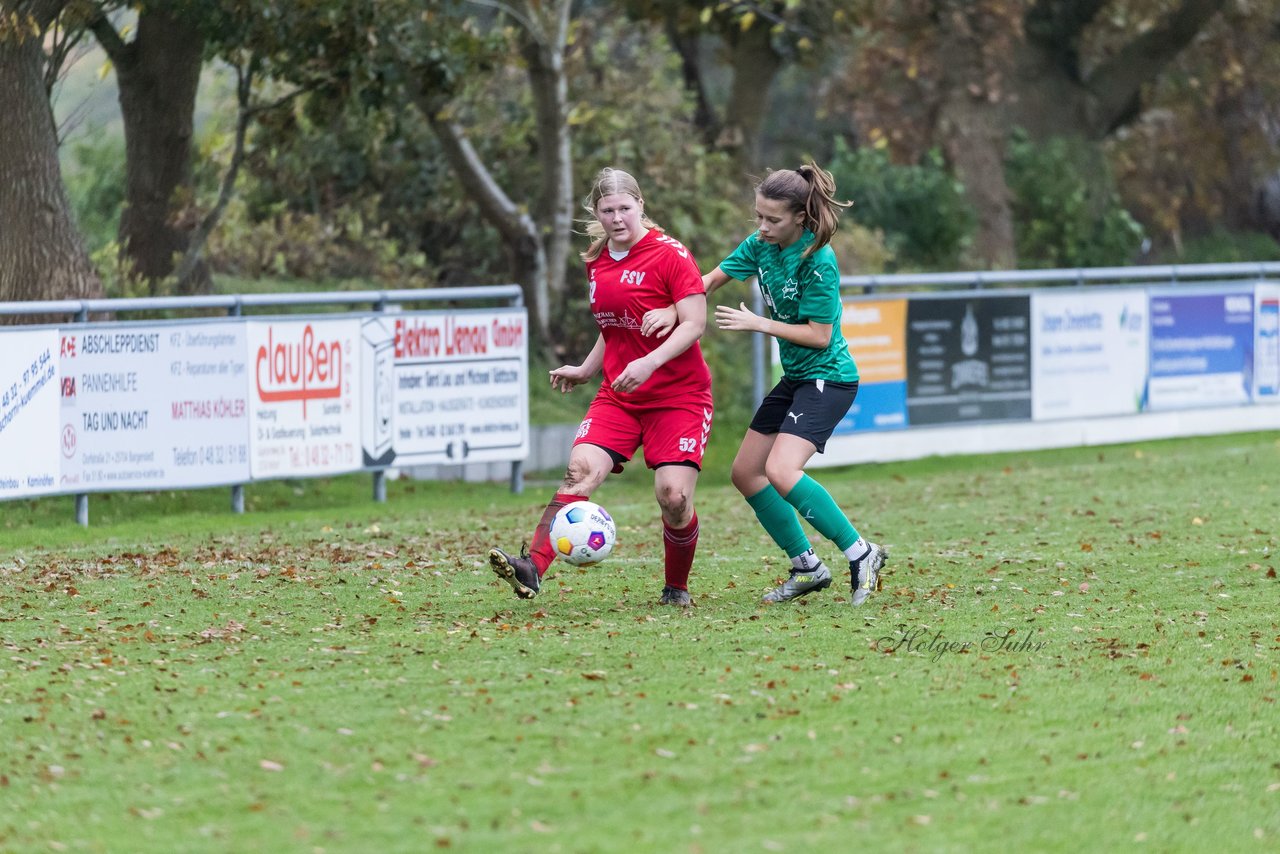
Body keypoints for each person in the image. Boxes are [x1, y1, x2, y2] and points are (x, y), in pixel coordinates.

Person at [644, 161, 886, 606]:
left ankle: (861, 553)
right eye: (758, 216)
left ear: (799, 216)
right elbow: (711, 280)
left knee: (780, 470)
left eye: (772, 219)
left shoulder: (819, 261)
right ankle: (807, 566)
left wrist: (760, 323)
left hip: (828, 378)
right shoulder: (761, 245)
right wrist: (673, 311)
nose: (762, 226)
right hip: (797, 377)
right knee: (745, 473)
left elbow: (819, 335)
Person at [489, 167, 713, 607]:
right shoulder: (596, 259)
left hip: (678, 396)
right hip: (621, 394)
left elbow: (695, 324)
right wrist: (589, 369)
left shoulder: (671, 255)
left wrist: (650, 362)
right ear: (596, 212)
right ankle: (532, 567)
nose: (617, 218)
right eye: (607, 210)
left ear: (641, 206)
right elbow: (612, 327)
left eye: (625, 209)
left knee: (674, 496)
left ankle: (676, 588)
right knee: (579, 471)